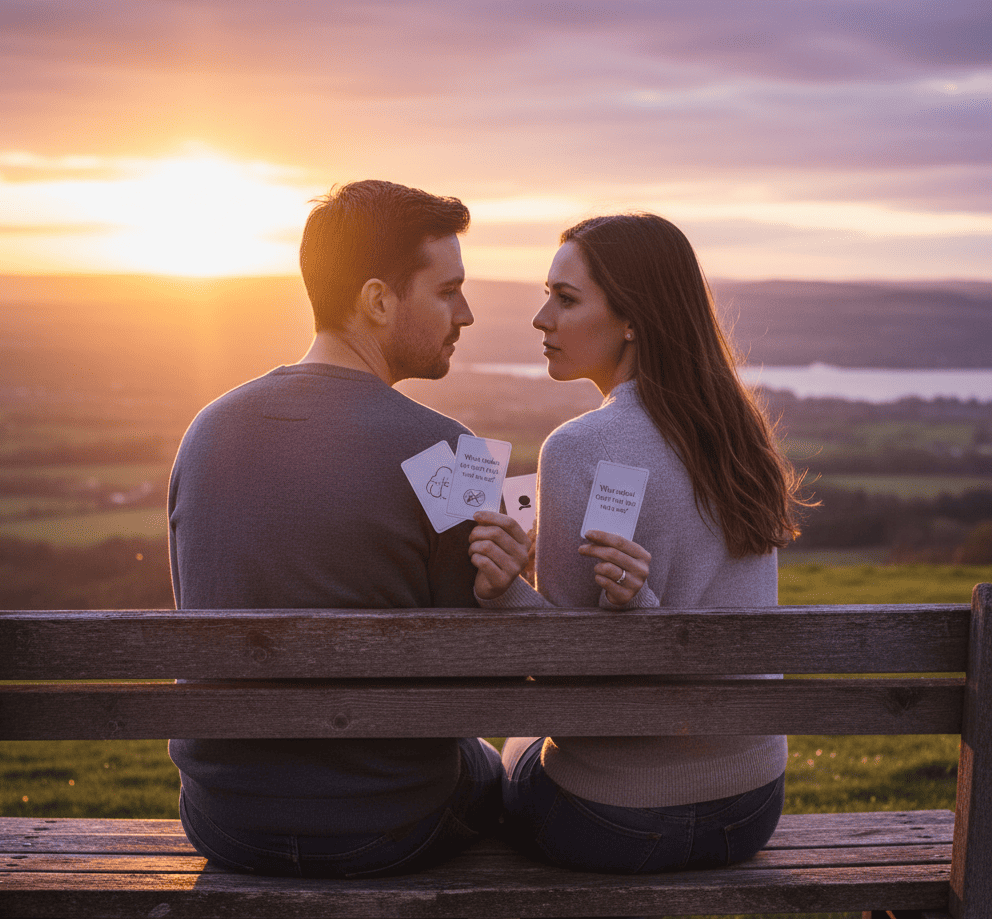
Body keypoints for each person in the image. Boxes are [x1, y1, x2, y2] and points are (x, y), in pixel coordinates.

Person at [168, 180, 502, 878]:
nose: (467, 313)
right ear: (378, 300)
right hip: (388, 824)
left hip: (225, 820)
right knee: (505, 764)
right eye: (448, 291)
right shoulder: (454, 452)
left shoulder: (205, 433)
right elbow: (481, 671)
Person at [468, 213, 806, 874]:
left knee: (508, 754)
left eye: (565, 299)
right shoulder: (740, 433)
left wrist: (502, 588)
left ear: (632, 319)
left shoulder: (579, 446)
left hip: (613, 820)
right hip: (751, 805)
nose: (541, 318)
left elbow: (561, 668)